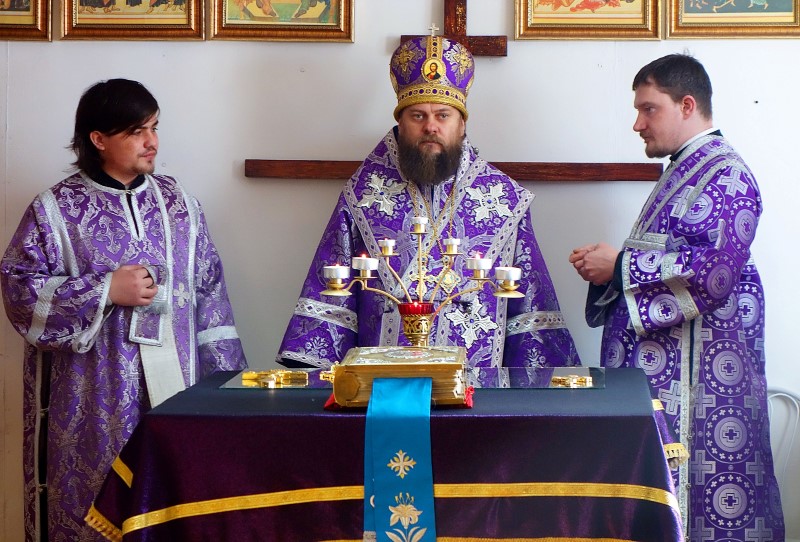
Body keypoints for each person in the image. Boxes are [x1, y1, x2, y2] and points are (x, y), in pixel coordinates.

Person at [0, 79, 248, 542]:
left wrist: (226, 394)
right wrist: (105, 289)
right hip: (92, 400)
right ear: (98, 139)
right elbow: (19, 291)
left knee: (175, 506)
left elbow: (212, 299)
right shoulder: (54, 211)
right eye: (136, 131)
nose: (152, 142)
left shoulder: (180, 206)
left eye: (154, 127)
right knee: (95, 511)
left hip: (177, 395)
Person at [569, 54, 784, 540]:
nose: (637, 124)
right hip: (665, 380)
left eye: (649, 109)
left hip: (700, 389)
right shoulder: (684, 170)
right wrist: (607, 269)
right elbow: (670, 257)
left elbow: (712, 273)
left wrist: (618, 265)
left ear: (687, 105)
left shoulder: (726, 174)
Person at [276, 36, 580, 377]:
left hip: (478, 386)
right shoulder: (362, 197)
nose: (430, 126)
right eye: (418, 115)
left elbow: (529, 308)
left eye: (443, 115)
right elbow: (332, 299)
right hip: (382, 388)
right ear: (401, 123)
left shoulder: (505, 201)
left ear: (462, 124)